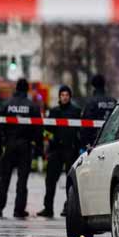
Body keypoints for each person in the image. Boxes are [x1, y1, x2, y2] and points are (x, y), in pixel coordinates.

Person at [0, 78, 42, 218]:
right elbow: (38, 129)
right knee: (22, 181)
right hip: (25, 146)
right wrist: (38, 148)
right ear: (27, 89)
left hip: (9, 145)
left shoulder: (6, 105)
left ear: (16, 89)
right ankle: (18, 210)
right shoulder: (32, 107)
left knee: (4, 179)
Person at [38, 86, 81, 217]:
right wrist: (51, 141)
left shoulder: (76, 111)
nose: (64, 97)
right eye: (62, 94)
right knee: (50, 180)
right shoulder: (54, 111)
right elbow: (47, 130)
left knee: (71, 182)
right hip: (56, 149)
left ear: (70, 96)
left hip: (70, 150)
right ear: (59, 96)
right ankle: (48, 208)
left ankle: (69, 207)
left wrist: (77, 145)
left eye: (66, 95)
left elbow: (81, 130)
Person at [80, 75, 117, 149]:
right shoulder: (113, 101)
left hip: (95, 143)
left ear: (93, 86)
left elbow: (85, 126)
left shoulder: (91, 103)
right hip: (112, 141)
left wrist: (87, 144)